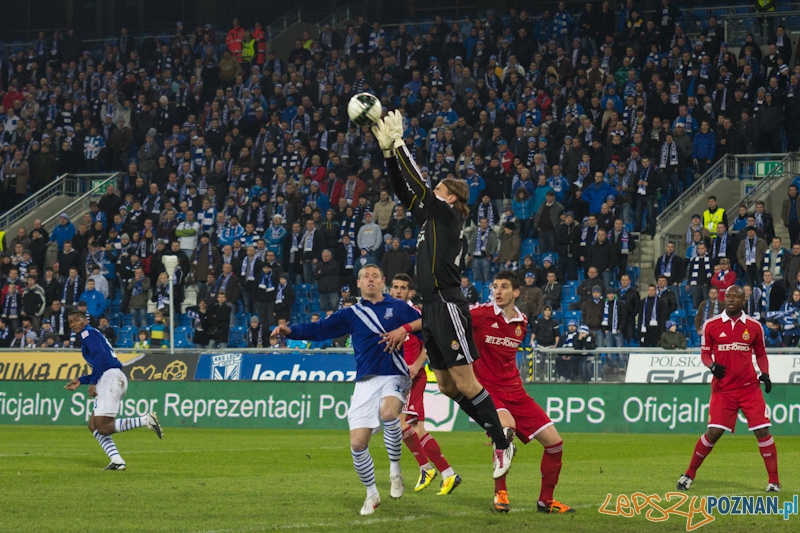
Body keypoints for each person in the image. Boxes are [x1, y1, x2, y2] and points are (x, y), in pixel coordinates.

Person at [374, 110, 516, 479]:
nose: (432, 193)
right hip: (432, 305)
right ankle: (496, 432)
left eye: (439, 189)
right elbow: (405, 190)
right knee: (449, 386)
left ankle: (501, 443)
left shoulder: (448, 217)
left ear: (450, 197)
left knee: (467, 382)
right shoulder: (431, 219)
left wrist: (401, 144)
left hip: (449, 302)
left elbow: (418, 186)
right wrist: (389, 155)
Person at [270, 265, 422, 515]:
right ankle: (371, 493)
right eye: (366, 277)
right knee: (358, 442)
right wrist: (292, 331)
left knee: (388, 413)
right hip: (365, 381)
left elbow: (425, 326)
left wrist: (410, 338)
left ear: (383, 281)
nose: (370, 280)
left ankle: (395, 472)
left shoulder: (398, 308)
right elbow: (320, 330)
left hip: (394, 374)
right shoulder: (351, 313)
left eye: (375, 276)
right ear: (358, 283)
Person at [471, 271, 573, 514]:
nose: (498, 291)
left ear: (516, 292)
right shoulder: (480, 314)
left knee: (555, 444)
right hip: (488, 391)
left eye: (504, 287)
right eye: (495, 286)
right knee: (506, 432)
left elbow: (506, 360)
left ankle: (545, 501)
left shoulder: (522, 322)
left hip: (516, 391)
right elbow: (450, 321)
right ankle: (500, 492)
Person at [677, 286, 779, 493]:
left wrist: (765, 373)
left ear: (744, 301)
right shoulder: (711, 325)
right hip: (723, 389)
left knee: (762, 430)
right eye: (729, 296)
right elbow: (705, 353)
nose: (731, 299)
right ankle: (689, 474)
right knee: (713, 432)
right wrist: (712, 366)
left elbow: (760, 353)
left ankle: (774, 481)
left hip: (749, 388)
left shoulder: (754, 326)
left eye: (737, 296)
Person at [63, 311, 162, 470]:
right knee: (94, 426)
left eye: (76, 320)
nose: (73, 324)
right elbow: (101, 363)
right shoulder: (92, 334)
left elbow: (101, 356)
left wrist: (92, 382)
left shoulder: (87, 332)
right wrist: (81, 380)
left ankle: (145, 420)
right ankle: (117, 460)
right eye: (70, 322)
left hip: (110, 379)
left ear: (85, 320)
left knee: (102, 427)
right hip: (111, 378)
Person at [388, 274, 458, 494]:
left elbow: (430, 344)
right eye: (395, 287)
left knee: (398, 424)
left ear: (411, 292)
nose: (398, 291)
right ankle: (447, 473)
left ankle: (427, 467)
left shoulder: (416, 315)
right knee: (416, 428)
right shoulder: (387, 316)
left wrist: (417, 365)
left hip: (410, 376)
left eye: (403, 288)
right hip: (394, 377)